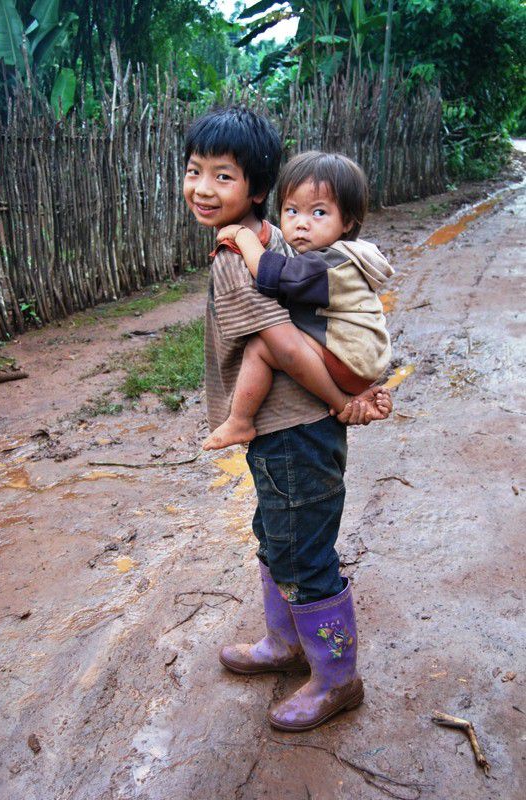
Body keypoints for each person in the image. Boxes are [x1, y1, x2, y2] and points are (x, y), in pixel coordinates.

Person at [183, 106, 392, 732]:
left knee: (304, 553)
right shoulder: (271, 240)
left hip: (295, 432)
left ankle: (337, 677)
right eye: (194, 171)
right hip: (286, 433)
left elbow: (286, 345)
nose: (202, 188)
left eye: (223, 176)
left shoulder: (242, 255)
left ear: (256, 188)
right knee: (277, 538)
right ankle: (285, 644)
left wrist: (339, 401)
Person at [203, 150, 394, 451]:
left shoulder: (326, 265)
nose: (302, 223)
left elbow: (271, 273)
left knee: (261, 347)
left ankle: (240, 420)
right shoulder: (345, 254)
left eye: (318, 213)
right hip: (359, 359)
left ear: (347, 222)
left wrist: (243, 236)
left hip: (347, 360)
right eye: (292, 210)